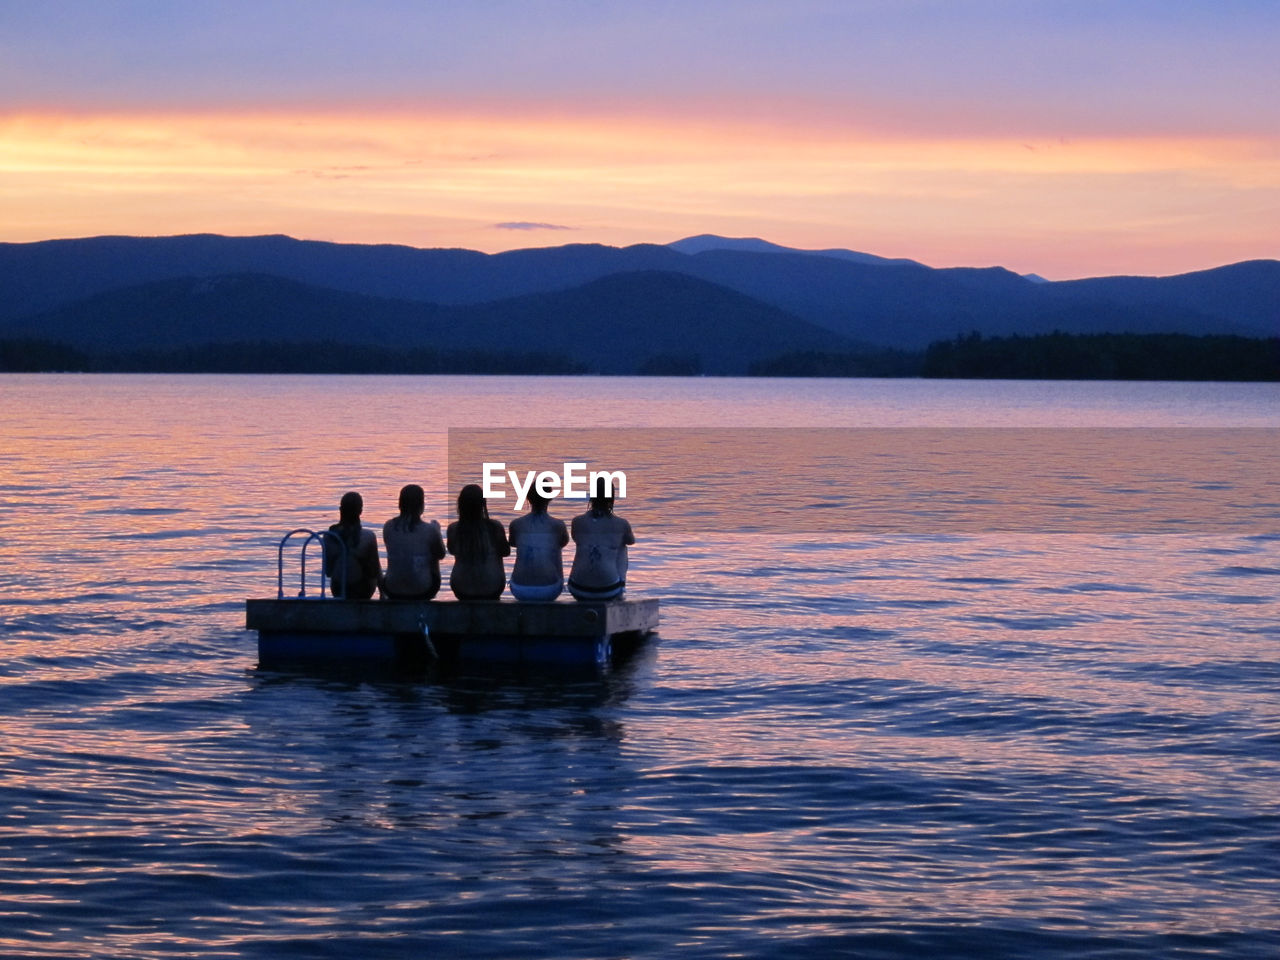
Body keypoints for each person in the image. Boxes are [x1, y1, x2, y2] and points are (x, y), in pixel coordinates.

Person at [568, 480, 635, 601]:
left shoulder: (577, 521)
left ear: (592, 497)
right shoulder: (621, 524)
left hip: (578, 588)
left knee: (587, 544)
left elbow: (576, 538)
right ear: (611, 498)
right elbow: (631, 541)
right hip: (608, 590)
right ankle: (621, 588)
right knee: (622, 546)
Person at [381, 483, 445, 600]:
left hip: (391, 590)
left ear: (400, 504)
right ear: (421, 505)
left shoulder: (388, 526)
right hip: (423, 591)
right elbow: (441, 554)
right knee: (433, 556)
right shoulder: (430, 530)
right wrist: (437, 531)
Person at [446, 483, 510, 600]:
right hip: (493, 589)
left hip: (461, 589)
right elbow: (506, 552)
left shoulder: (454, 529)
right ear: (482, 504)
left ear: (460, 505)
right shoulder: (495, 527)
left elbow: (452, 550)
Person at [508, 489, 570, 601]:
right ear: (549, 498)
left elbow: (513, 543)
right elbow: (563, 542)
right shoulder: (558, 525)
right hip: (550, 590)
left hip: (519, 589)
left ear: (528, 498)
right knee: (556, 547)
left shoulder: (516, 524)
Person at [323, 490, 381, 600]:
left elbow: (329, 572)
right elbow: (374, 572)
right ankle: (383, 594)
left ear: (340, 510)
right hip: (362, 591)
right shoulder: (368, 536)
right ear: (360, 511)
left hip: (338, 590)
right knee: (376, 565)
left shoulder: (328, 536)